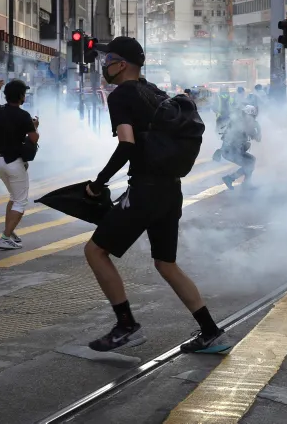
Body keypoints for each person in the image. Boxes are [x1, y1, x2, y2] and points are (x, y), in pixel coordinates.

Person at [84, 36, 224, 354]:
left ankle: (126, 325)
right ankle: (211, 331)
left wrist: (98, 183)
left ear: (121, 65)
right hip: (170, 189)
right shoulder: (154, 92)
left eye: (108, 60)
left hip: (146, 190)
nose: (103, 65)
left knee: (95, 251)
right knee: (166, 263)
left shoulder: (121, 95)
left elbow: (127, 144)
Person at [0, 79, 39, 250]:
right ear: (20, 96)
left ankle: (9, 231)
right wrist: (34, 127)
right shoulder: (24, 116)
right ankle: (5, 237)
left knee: (14, 197)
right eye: (24, 93)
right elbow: (33, 139)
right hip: (13, 162)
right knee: (20, 201)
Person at [220, 104, 260, 189]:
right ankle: (231, 179)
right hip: (230, 151)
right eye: (252, 116)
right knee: (249, 164)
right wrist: (257, 128)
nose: (253, 118)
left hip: (231, 150)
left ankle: (244, 182)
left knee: (251, 160)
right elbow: (257, 137)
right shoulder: (242, 123)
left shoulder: (239, 121)